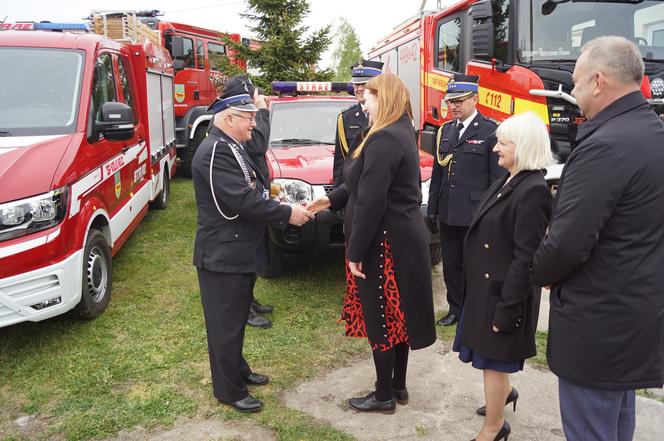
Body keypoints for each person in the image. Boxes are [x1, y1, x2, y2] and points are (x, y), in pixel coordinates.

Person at [530, 36, 664, 441]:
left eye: (575, 83)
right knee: (619, 422)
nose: (572, 93)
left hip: (598, 326)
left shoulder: (605, 145)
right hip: (633, 316)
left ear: (599, 81)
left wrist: (539, 272)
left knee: (592, 428)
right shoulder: (651, 131)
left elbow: (567, 243)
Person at [308, 73, 436, 413]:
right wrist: (331, 201)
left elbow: (370, 202)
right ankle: (397, 386)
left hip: (384, 243)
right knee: (399, 314)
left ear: (386, 98)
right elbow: (359, 184)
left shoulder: (384, 138)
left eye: (368, 96)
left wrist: (355, 251)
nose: (362, 101)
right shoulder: (398, 131)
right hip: (399, 239)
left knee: (381, 317)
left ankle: (383, 396)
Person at [191, 75, 313, 413]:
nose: (254, 124)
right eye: (250, 118)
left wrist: (276, 200)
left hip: (236, 249)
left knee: (233, 323)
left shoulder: (229, 145)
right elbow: (243, 200)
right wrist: (287, 213)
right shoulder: (216, 150)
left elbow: (254, 186)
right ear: (229, 117)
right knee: (225, 326)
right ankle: (229, 390)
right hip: (222, 254)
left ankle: (238, 371)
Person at [453, 112, 553, 441]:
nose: (495, 148)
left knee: (493, 362)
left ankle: (494, 428)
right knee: (487, 359)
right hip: (488, 289)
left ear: (522, 147)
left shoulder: (533, 190)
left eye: (503, 143)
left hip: (504, 295)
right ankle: (504, 396)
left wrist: (509, 309)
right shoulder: (510, 178)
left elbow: (526, 257)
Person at [427, 74, 504, 327]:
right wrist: (433, 209)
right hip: (448, 211)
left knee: (476, 266)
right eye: (451, 101)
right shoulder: (445, 131)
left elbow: (497, 179)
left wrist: (492, 215)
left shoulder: (491, 130)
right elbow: (438, 173)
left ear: (475, 99)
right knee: (452, 266)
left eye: (460, 101)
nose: (454, 106)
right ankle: (455, 309)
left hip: (475, 214)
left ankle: (475, 310)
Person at [236, 76, 274, 329]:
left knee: (255, 251)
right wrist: (261, 110)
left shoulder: (244, 121)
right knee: (246, 256)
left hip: (256, 192)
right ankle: (244, 308)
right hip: (245, 200)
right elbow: (259, 145)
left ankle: (249, 299)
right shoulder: (241, 123)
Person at [332, 59, 383, 188]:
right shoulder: (345, 118)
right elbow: (341, 164)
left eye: (364, 84)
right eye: (356, 84)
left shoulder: (390, 115)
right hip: (353, 190)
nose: (359, 89)